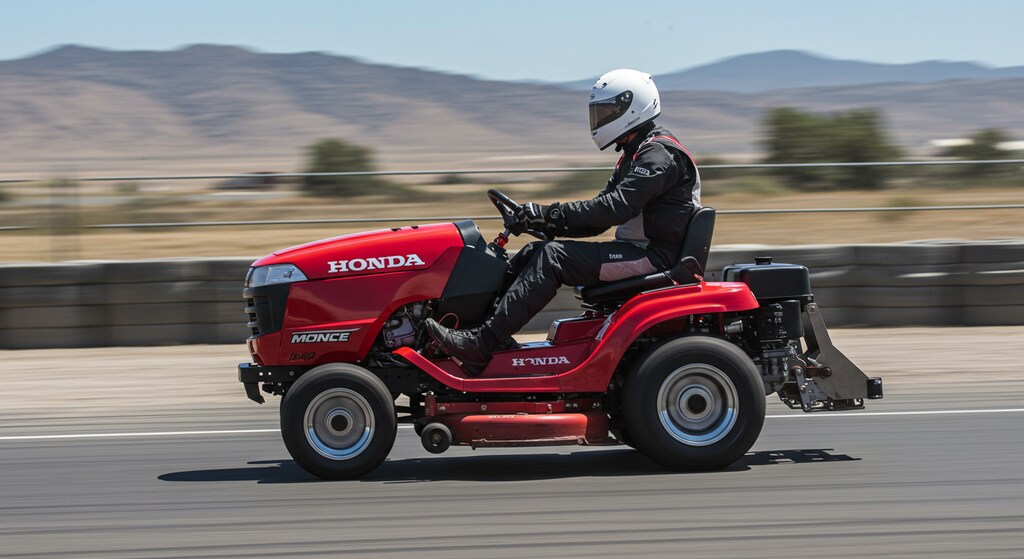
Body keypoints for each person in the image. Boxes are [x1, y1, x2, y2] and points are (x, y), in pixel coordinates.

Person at [425, 68, 702, 375]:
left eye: (608, 111)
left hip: (655, 258)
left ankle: (481, 345)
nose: (601, 119)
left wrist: (549, 213)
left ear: (632, 107)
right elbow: (597, 221)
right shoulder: (634, 153)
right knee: (535, 250)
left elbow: (614, 209)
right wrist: (544, 224)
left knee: (551, 258)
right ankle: (483, 334)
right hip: (639, 251)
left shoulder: (658, 155)